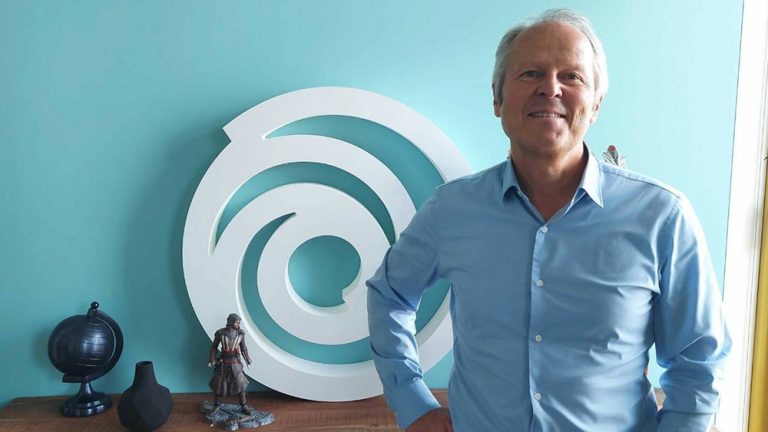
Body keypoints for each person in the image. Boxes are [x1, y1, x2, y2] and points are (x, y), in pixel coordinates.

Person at [366, 8, 730, 432]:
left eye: (571, 76)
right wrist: (413, 403)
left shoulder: (662, 217)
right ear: (497, 99)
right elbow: (389, 295)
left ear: (596, 104)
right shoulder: (451, 211)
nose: (550, 88)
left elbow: (698, 361)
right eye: (531, 73)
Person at [208, 313, 256, 416]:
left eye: (239, 322)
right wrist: (212, 359)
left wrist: (247, 358)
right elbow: (214, 346)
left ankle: (243, 405)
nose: (238, 324)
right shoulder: (220, 333)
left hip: (235, 362)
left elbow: (243, 347)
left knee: (240, 383)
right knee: (219, 384)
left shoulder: (240, 334)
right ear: (231, 322)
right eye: (237, 322)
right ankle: (217, 405)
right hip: (223, 362)